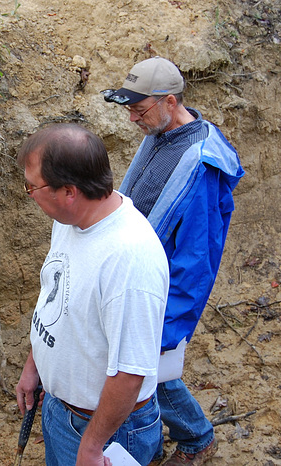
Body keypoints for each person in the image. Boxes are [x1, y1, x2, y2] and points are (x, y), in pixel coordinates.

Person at [103, 56, 244, 465]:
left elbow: (197, 259)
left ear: (169, 100)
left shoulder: (202, 163)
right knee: (142, 371)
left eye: (138, 109)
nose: (132, 119)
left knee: (148, 370)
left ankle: (197, 438)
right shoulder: (162, 134)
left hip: (161, 290)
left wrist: (168, 329)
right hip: (137, 274)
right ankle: (192, 434)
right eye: (129, 109)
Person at [15, 123, 170, 466]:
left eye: (32, 186)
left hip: (105, 429)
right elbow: (57, 301)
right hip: (63, 411)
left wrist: (91, 446)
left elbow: (130, 374)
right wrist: (34, 366)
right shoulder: (71, 222)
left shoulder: (130, 259)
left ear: (68, 191)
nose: (29, 194)